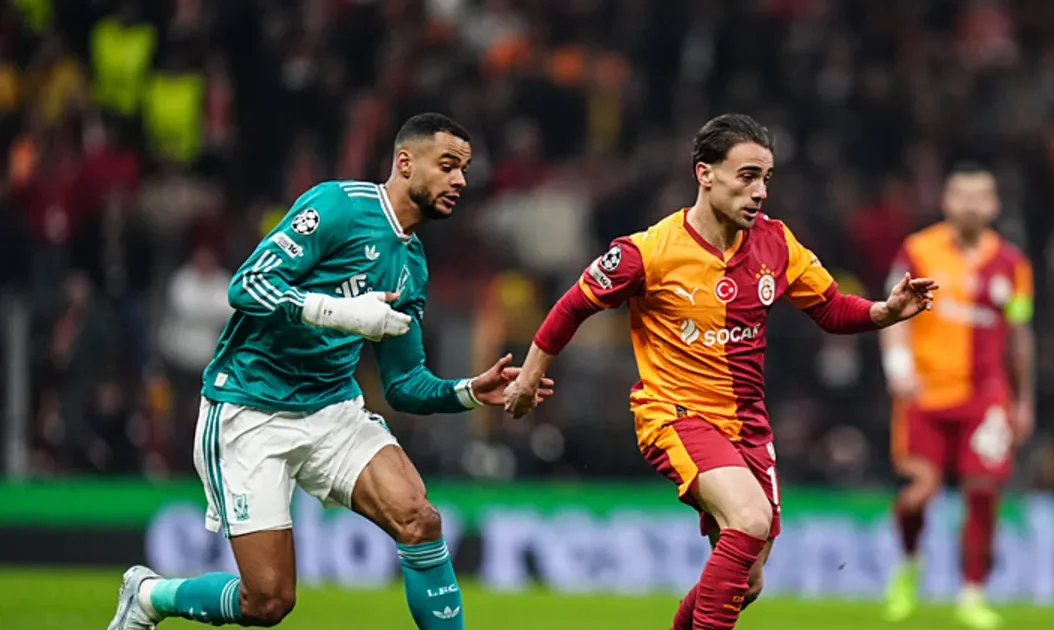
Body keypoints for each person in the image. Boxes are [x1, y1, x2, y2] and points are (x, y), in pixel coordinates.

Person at [107, 113, 553, 630]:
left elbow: (403, 385)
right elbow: (247, 285)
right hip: (250, 409)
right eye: (448, 165)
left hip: (331, 411)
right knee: (267, 601)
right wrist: (340, 312)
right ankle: (150, 596)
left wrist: (470, 391)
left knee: (420, 519)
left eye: (465, 170)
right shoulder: (338, 206)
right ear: (405, 162)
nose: (460, 181)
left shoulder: (411, 265)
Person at [503, 113, 938, 630]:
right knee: (749, 519)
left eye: (766, 178)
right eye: (747, 176)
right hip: (675, 414)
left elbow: (830, 308)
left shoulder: (776, 243)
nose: (760, 192)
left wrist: (884, 312)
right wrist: (529, 377)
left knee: (747, 581)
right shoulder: (648, 252)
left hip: (748, 425)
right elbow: (573, 305)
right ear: (705, 174)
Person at [879, 161, 1035, 630]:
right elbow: (892, 312)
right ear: (946, 201)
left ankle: (972, 594)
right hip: (924, 394)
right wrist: (898, 367)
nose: (970, 205)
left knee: (983, 490)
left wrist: (1024, 400)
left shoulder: (1013, 264)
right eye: (961, 195)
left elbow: (1020, 334)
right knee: (919, 492)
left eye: (979, 196)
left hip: (986, 396)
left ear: (994, 205)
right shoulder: (917, 251)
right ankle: (910, 561)